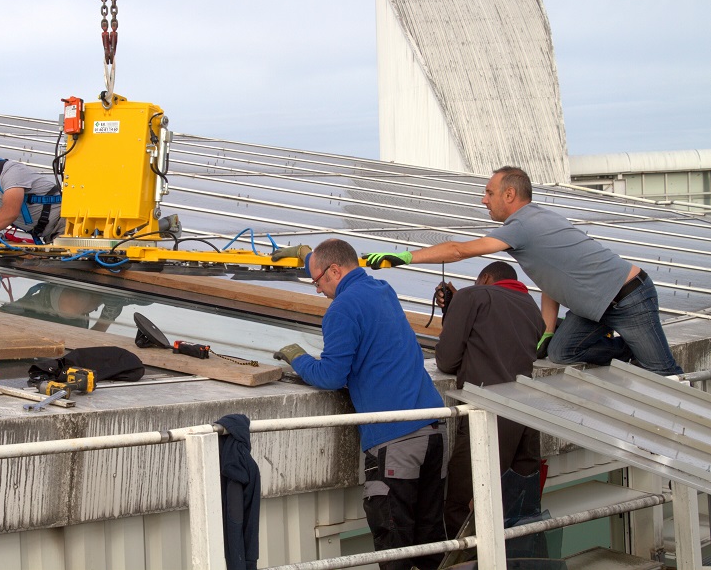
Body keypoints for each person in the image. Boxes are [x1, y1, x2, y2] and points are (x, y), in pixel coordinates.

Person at [364, 166, 683, 376]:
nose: (483, 199)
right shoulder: (539, 219)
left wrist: (402, 257)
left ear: (509, 194)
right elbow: (551, 278)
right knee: (560, 352)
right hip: (595, 308)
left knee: (665, 374)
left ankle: (640, 360)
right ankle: (626, 351)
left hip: (628, 299)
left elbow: (458, 250)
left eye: (489, 193)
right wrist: (546, 329)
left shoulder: (522, 225)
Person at [274, 238, 447, 570]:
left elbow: (332, 375)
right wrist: (306, 254)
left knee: (393, 546)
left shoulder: (342, 308)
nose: (318, 290)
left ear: (335, 271)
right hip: (432, 429)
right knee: (430, 544)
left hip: (395, 441)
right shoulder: (383, 290)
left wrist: (298, 358)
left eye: (318, 281)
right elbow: (331, 259)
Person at [434, 261, 544, 534]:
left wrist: (457, 304)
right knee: (514, 511)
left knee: (462, 506)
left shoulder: (472, 296)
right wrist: (455, 307)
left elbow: (447, 360)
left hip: (486, 415)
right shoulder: (532, 307)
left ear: (484, 278)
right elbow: (496, 333)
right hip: (525, 420)